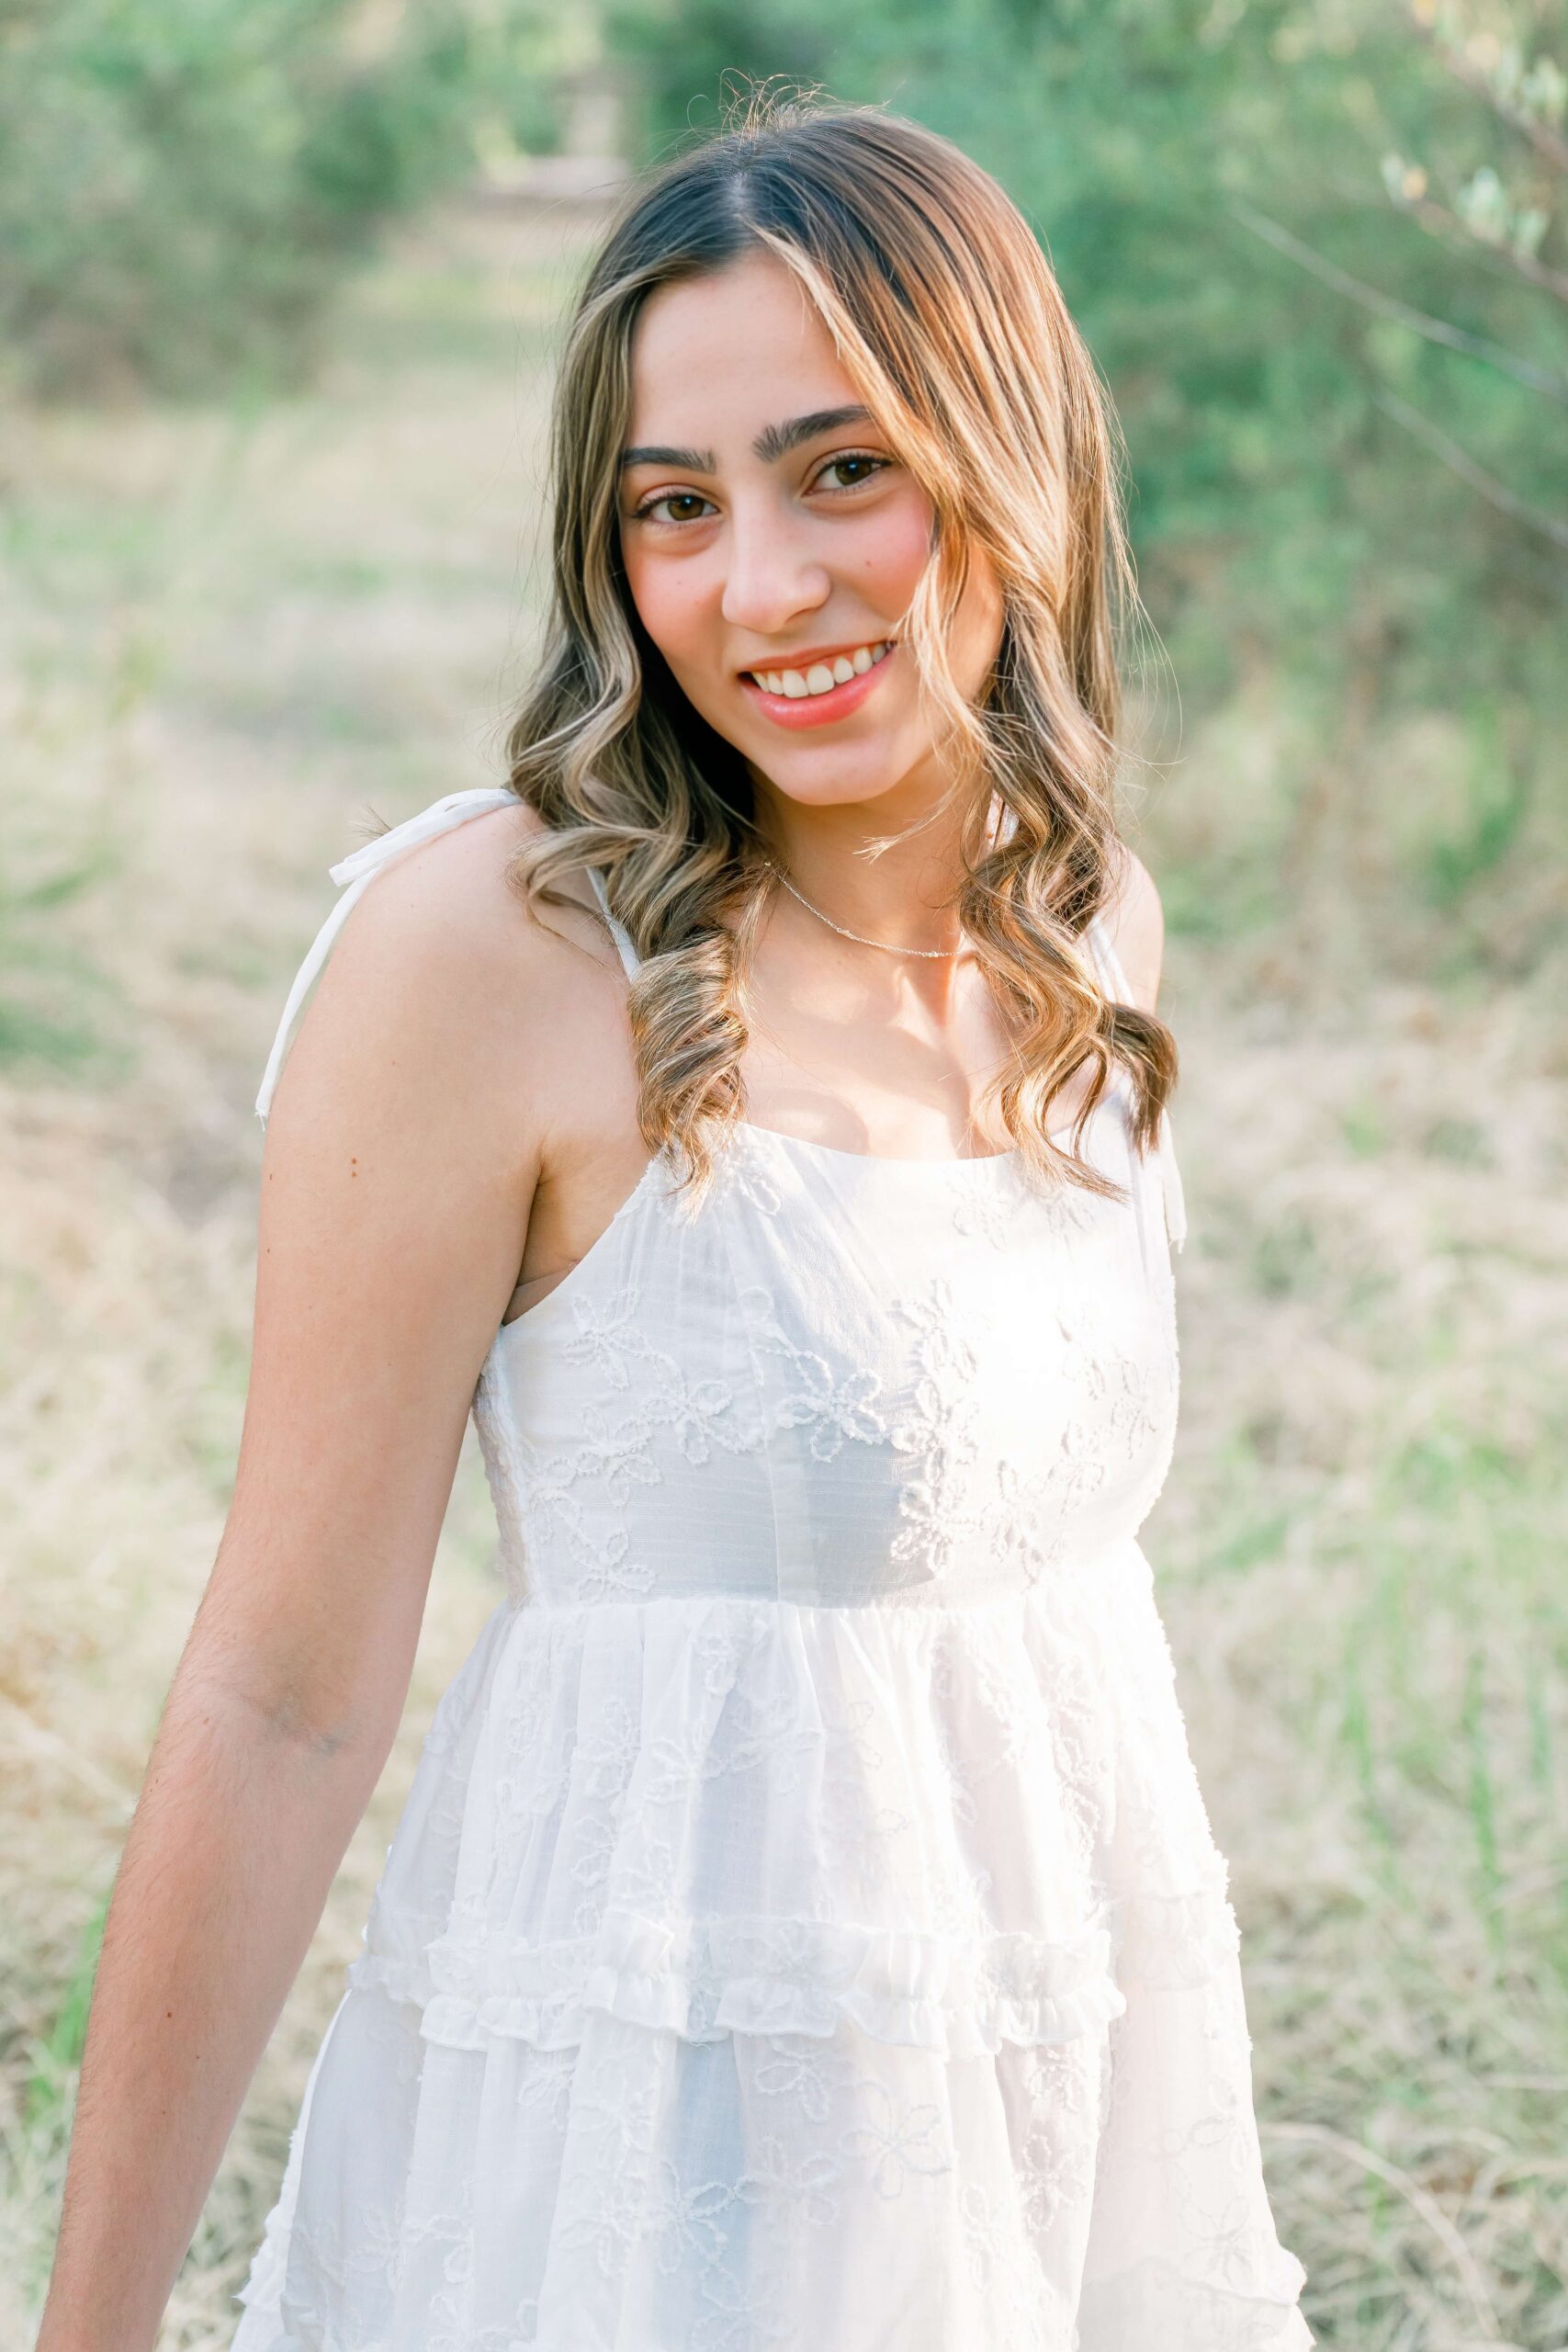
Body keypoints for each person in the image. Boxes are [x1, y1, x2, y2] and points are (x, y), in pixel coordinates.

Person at [35, 91, 1314, 2352]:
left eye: (844, 470)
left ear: (1004, 449)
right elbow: (281, 1689)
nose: (758, 589)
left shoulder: (1089, 924)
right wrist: (91, 2330)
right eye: (672, 505)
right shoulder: (493, 958)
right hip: (640, 2162)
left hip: (1041, 2127)